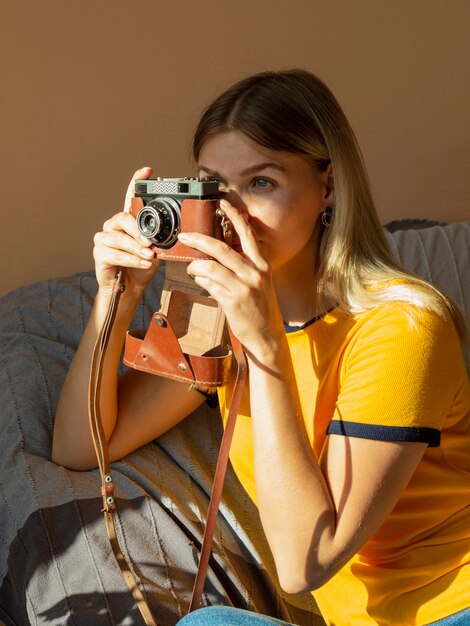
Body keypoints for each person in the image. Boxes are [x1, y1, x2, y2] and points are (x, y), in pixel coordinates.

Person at [52, 69, 470, 625]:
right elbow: (82, 447)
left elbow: (304, 565)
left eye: (261, 183)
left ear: (329, 186)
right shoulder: (212, 317)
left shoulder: (403, 328)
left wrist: (266, 348)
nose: (231, 214)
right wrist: (116, 298)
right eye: (213, 187)